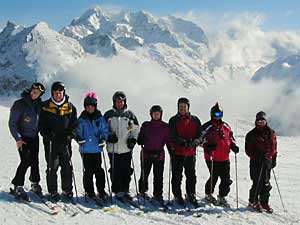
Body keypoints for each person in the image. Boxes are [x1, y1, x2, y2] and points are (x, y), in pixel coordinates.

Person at [39, 81, 77, 202]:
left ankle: (67, 189)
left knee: (66, 166)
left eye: (60, 93)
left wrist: (71, 135)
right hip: (51, 142)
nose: (57, 95)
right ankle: (53, 191)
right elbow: (41, 124)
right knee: (52, 167)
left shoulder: (70, 107)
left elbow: (74, 124)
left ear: (63, 93)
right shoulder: (45, 106)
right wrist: (47, 134)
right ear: (52, 93)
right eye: (55, 93)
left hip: (65, 142)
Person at [9, 82, 45, 200]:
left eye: (38, 92)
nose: (34, 93)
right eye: (34, 91)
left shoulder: (39, 105)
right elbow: (12, 123)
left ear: (40, 95)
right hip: (23, 138)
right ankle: (17, 185)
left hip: (34, 137)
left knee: (35, 161)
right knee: (26, 160)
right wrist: (18, 139)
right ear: (30, 90)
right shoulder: (20, 104)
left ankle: (34, 183)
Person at [201, 102, 239, 207]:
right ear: (211, 114)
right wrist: (207, 146)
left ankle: (222, 196)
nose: (217, 117)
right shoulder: (207, 126)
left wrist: (233, 146)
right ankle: (208, 194)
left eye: (219, 114)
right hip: (212, 157)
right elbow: (200, 140)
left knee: (226, 179)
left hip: (225, 157)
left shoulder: (226, 126)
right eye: (215, 114)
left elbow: (230, 138)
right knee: (214, 176)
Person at [104, 91, 139, 201]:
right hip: (113, 148)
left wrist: (133, 139)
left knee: (126, 170)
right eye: (117, 101)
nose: (119, 103)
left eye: (121, 101)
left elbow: (135, 129)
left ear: (124, 102)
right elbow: (103, 129)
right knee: (115, 169)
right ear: (114, 102)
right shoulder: (109, 114)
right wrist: (108, 136)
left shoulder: (129, 115)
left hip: (126, 148)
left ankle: (125, 189)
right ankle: (116, 190)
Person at [168, 97, 202, 206]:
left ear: (188, 107)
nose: (182, 108)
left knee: (191, 175)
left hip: (190, 153)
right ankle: (177, 195)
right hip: (177, 153)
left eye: (184, 106)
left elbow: (200, 136)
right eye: (180, 106)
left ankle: (190, 194)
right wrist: (181, 142)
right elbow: (172, 136)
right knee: (177, 176)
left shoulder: (195, 120)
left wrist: (194, 142)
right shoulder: (173, 120)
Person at [76, 92, 109, 202]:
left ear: (95, 106)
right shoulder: (81, 119)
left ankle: (101, 190)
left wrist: (103, 138)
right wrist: (79, 139)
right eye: (88, 106)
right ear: (85, 107)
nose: (90, 108)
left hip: (96, 148)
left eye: (92, 106)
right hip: (85, 149)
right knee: (88, 171)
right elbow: (78, 131)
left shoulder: (100, 118)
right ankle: (89, 191)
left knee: (99, 170)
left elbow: (105, 130)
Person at [137, 105, 172, 203]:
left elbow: (168, 139)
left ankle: (158, 194)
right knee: (144, 173)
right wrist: (140, 140)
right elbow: (140, 136)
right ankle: (142, 191)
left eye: (158, 114)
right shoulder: (146, 125)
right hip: (146, 153)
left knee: (158, 176)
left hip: (159, 154)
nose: (156, 115)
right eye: (154, 114)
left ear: (161, 115)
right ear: (151, 114)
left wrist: (170, 148)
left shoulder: (165, 126)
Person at [245, 111, 277, 213]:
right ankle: (253, 201)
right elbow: (248, 150)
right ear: (256, 122)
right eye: (259, 121)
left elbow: (274, 147)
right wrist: (257, 156)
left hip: (267, 161)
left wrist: (274, 158)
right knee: (257, 182)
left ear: (266, 121)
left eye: (262, 121)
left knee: (266, 183)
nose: (261, 123)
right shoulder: (251, 134)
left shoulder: (271, 132)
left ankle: (264, 203)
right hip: (256, 161)